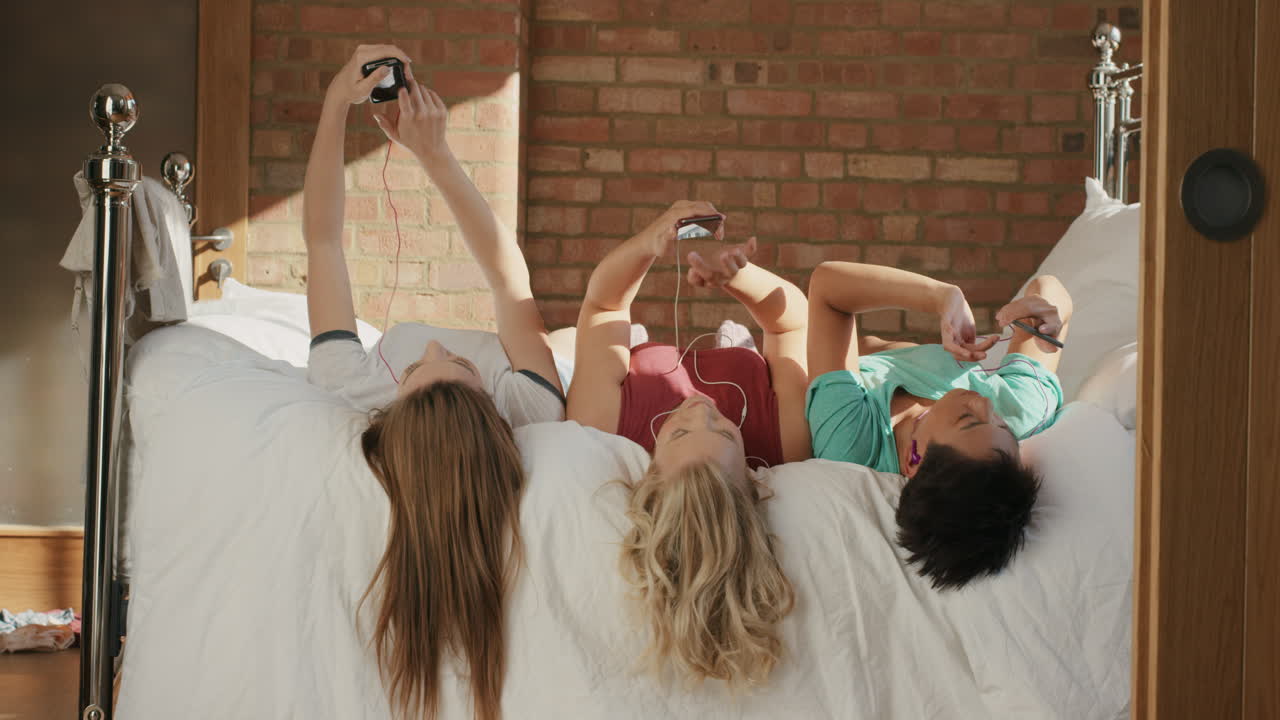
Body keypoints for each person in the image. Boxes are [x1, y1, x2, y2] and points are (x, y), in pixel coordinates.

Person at [302, 45, 560, 720]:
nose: (442, 341)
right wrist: (435, 155)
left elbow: (323, 243)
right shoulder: (528, 402)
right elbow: (509, 281)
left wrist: (336, 105)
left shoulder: (348, 385)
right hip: (541, 348)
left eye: (419, 365)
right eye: (467, 364)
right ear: (493, 412)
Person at [566, 200, 806, 688]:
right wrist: (739, 279)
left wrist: (648, 245)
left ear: (650, 473)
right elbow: (792, 323)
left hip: (635, 348)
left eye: (677, 432)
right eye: (723, 432)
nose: (700, 409)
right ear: (754, 478)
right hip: (738, 345)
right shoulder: (786, 443)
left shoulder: (604, 426)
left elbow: (604, 307)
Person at [805, 262, 1073, 590]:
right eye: (1000, 424)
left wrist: (938, 297)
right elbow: (1052, 287)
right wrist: (1042, 314)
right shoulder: (1021, 412)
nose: (984, 402)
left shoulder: (853, 442)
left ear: (914, 459)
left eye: (967, 420)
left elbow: (827, 289)